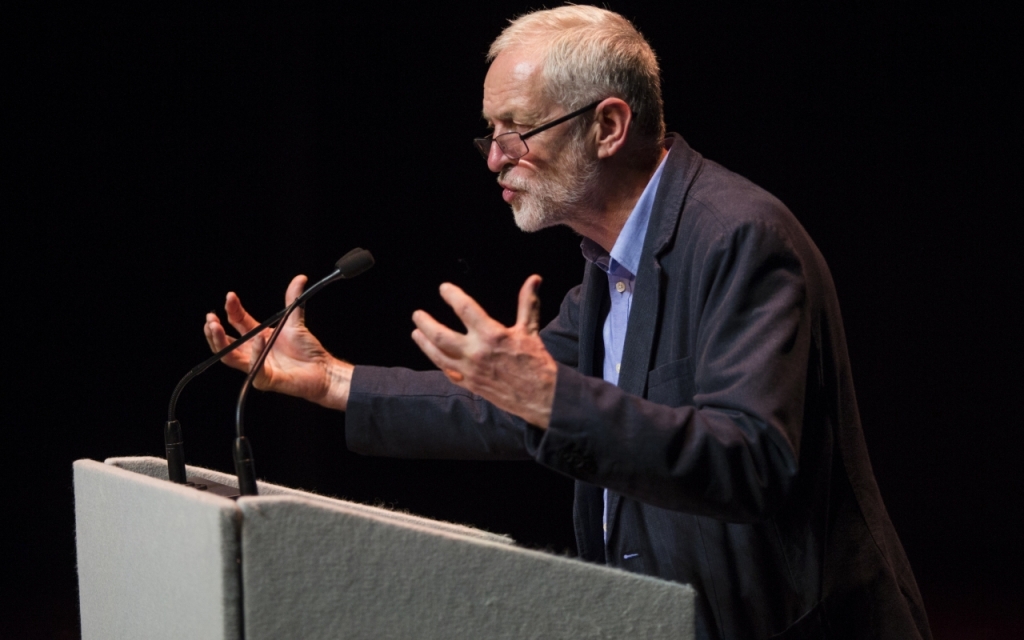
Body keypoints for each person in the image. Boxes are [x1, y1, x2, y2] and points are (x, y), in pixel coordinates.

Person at [204, 6, 931, 639]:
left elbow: (750, 458)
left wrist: (552, 399)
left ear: (609, 126)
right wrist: (331, 381)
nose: (495, 159)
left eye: (517, 130)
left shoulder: (740, 237)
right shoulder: (612, 265)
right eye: (490, 133)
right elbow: (505, 407)